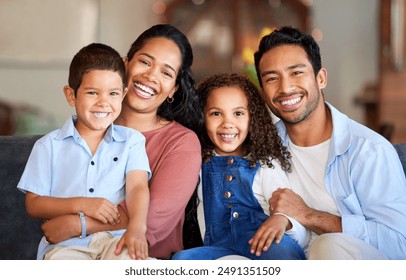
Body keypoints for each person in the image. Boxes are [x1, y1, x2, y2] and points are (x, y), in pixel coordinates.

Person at [39, 24, 203, 259]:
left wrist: (78, 224)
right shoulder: (85, 129)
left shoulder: (181, 142)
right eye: (145, 62)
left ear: (173, 90)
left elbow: (155, 215)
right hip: (71, 250)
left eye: (166, 73)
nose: (150, 76)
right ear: (125, 64)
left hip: (138, 257)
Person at [254, 26, 406, 259]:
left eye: (296, 73)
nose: (285, 88)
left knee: (328, 246)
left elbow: (399, 243)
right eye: (272, 78)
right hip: (291, 261)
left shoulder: (369, 150)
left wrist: (308, 215)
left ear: (321, 78)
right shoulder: (263, 148)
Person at [17, 43, 151, 260]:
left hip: (116, 239)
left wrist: (137, 228)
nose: (103, 102)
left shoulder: (132, 141)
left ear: (124, 94)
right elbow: (34, 204)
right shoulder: (47, 146)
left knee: (133, 265)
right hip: (66, 245)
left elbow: (137, 188)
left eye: (113, 93)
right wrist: (83, 204)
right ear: (71, 96)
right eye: (92, 92)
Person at [172, 73, 308, 260]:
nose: (228, 123)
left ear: (253, 118)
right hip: (218, 248)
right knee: (181, 259)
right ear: (202, 117)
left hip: (262, 245)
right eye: (216, 113)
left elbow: (300, 230)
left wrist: (283, 220)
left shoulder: (265, 164)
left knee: (283, 252)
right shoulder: (197, 162)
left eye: (238, 113)